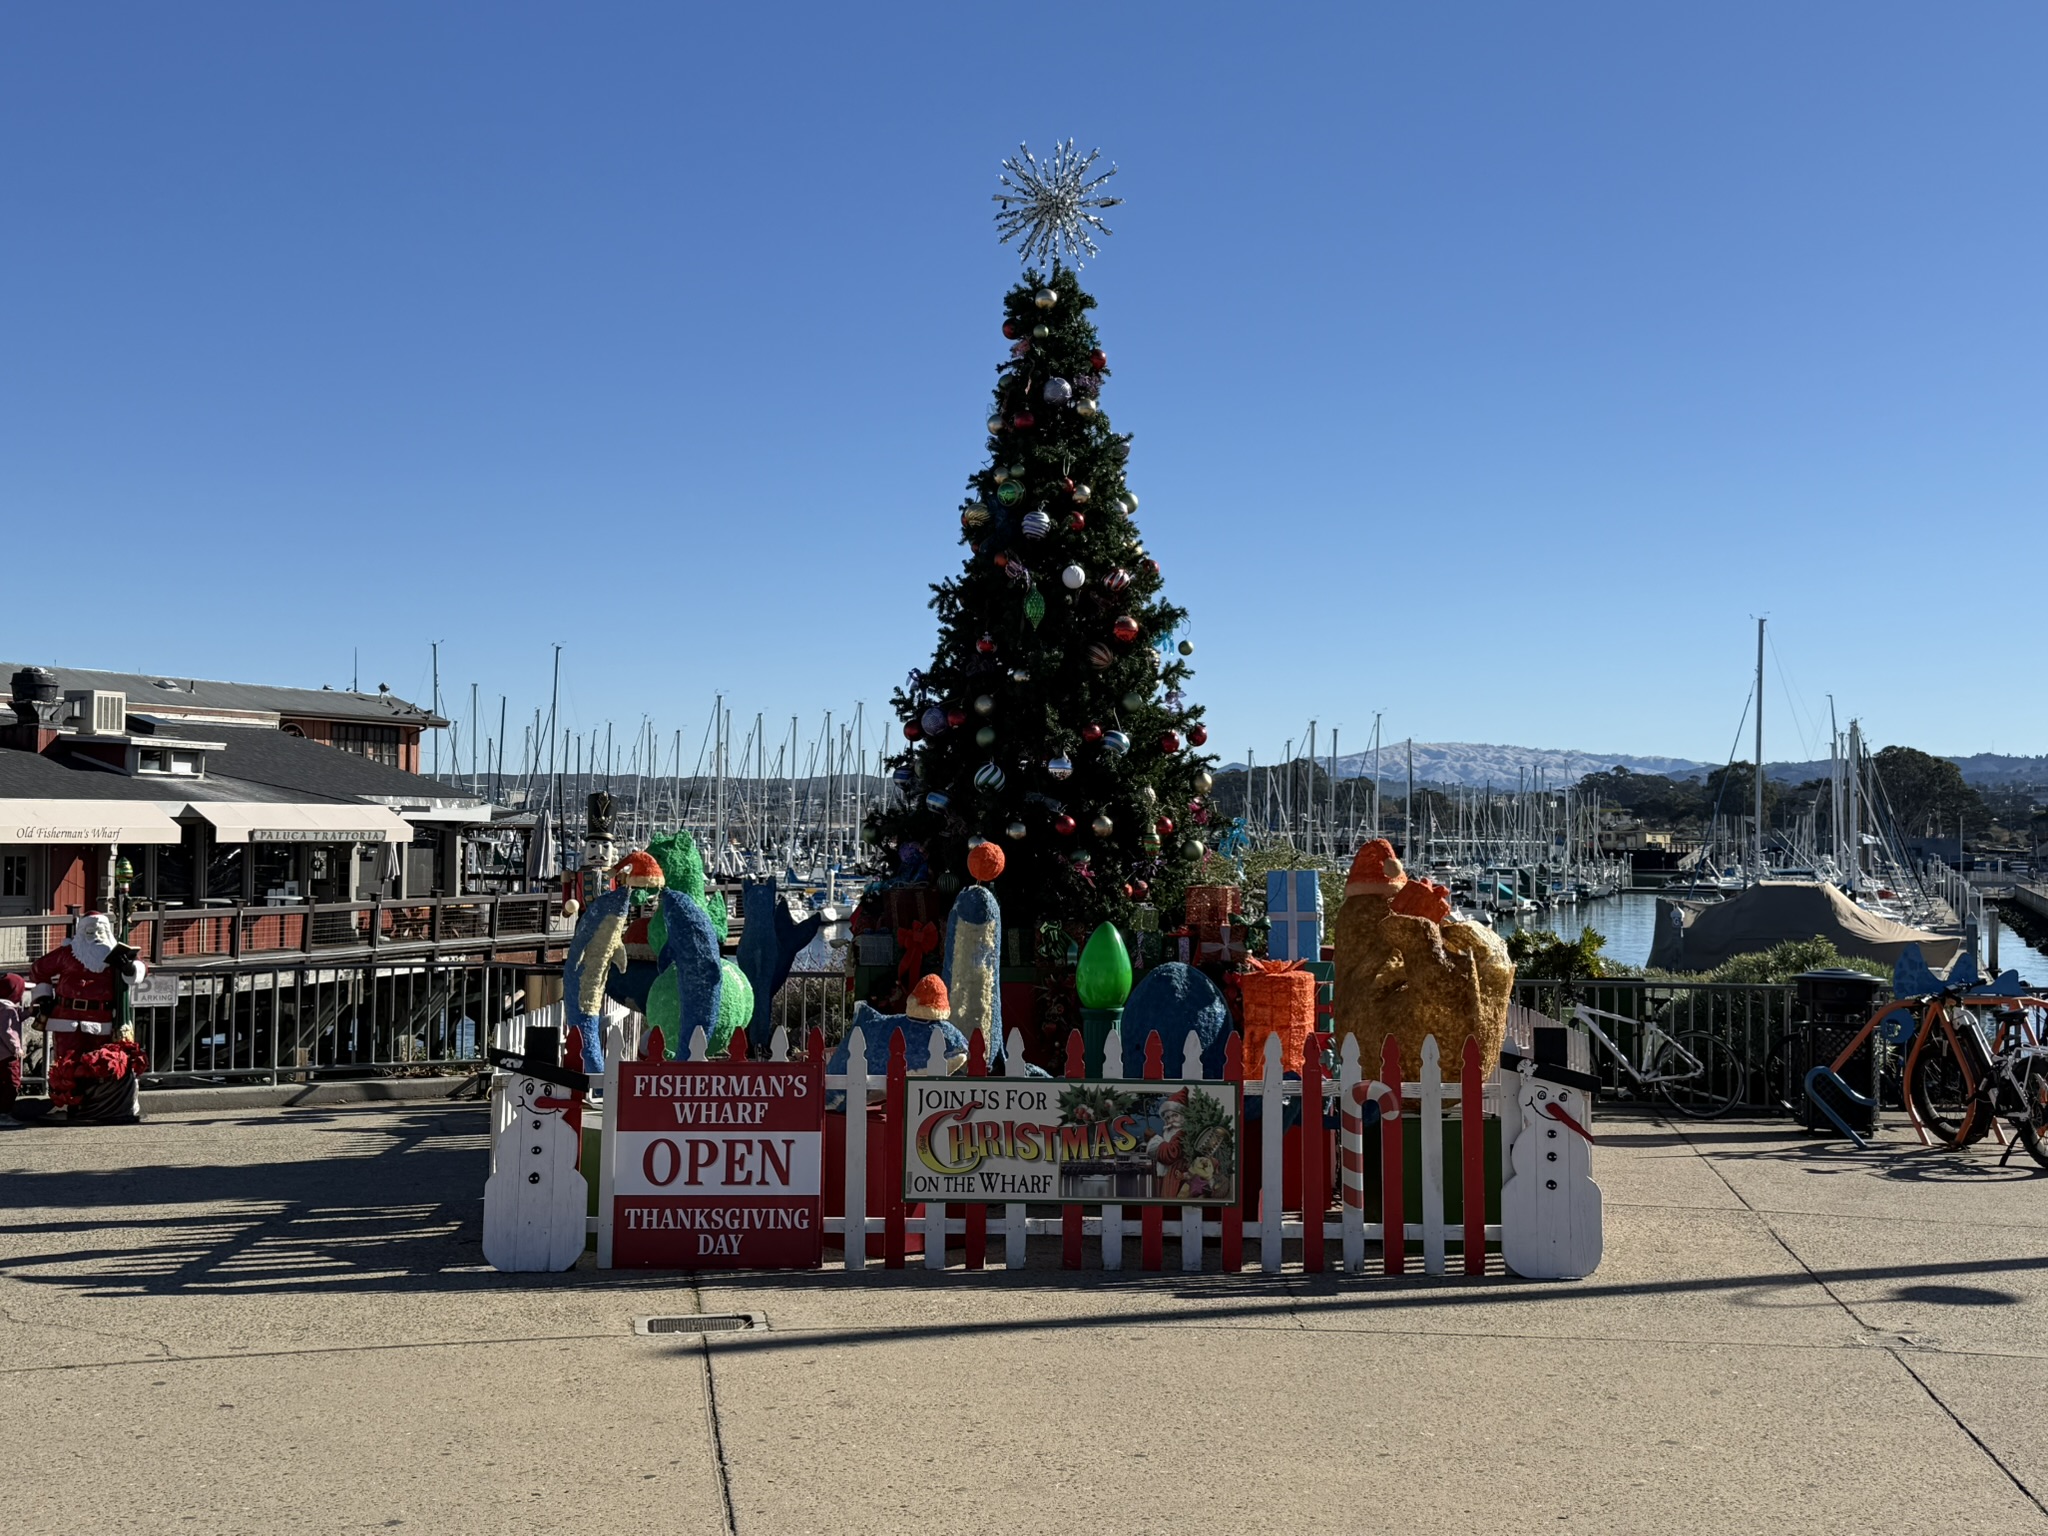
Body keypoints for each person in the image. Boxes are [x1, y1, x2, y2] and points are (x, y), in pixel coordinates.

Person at [0, 973, 26, 1113]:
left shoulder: (2, 1007)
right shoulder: (8, 1009)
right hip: (7, 1054)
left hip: (1, 1055)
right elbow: (7, 1030)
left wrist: (27, 1013)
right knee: (13, 1083)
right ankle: (4, 1114)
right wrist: (17, 1049)